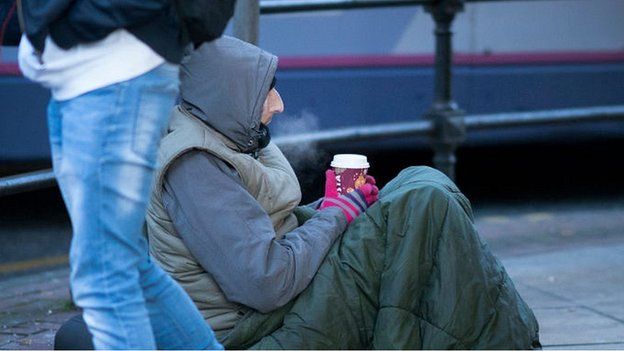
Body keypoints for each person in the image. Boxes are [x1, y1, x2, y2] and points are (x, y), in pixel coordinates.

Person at [56, 36, 541, 349]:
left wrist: (334, 209)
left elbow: (265, 233)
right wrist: (337, 214)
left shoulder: (220, 133)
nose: (279, 104)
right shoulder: (195, 167)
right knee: (424, 198)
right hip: (257, 324)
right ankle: (504, 340)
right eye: (268, 92)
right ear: (231, 99)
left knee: (421, 191)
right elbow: (266, 282)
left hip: (291, 289)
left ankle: (494, 335)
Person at [17, 0, 234, 349]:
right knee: (125, 264)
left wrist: (80, 24)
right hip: (91, 74)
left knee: (105, 275)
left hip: (112, 70)